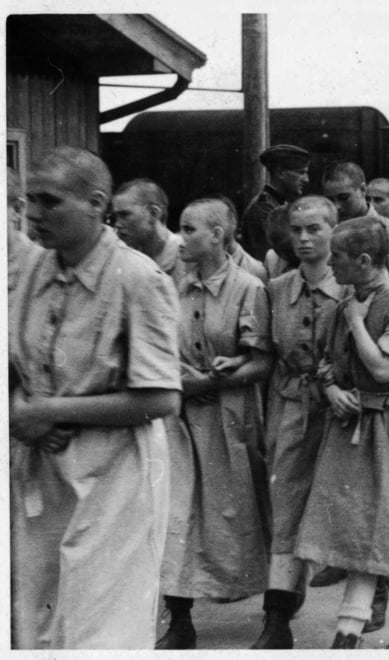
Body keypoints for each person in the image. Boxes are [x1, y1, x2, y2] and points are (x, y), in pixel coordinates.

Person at [10, 146, 181, 649]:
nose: (34, 214)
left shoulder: (138, 278)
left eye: (49, 201)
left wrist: (46, 412)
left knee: (101, 629)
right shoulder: (33, 272)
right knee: (37, 623)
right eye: (28, 201)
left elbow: (160, 398)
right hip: (41, 471)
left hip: (115, 479)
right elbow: (15, 362)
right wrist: (19, 412)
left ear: (95, 203)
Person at [296, 216, 389, 649]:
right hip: (350, 426)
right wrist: (333, 388)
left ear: (362, 260)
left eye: (336, 256)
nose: (329, 262)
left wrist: (357, 321)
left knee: (380, 525)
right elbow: (324, 362)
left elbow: (381, 369)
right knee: (359, 527)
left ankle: (348, 634)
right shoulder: (344, 304)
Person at [157, 197, 274, 649]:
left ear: (218, 236)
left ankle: (274, 616)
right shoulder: (173, 286)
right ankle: (181, 621)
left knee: (245, 513)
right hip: (183, 421)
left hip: (232, 419)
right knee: (177, 514)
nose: (180, 237)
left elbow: (262, 362)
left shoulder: (249, 287)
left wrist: (209, 379)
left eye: (189, 229)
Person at [250, 197, 348, 648]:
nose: (304, 239)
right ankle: (277, 620)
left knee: (351, 506)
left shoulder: (352, 288)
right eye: (296, 230)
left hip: (343, 413)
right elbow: (267, 358)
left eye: (314, 229)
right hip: (290, 406)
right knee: (286, 508)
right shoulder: (275, 289)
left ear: (334, 230)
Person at [322, 161, 389, 291]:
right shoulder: (328, 231)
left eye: (344, 197)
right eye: (331, 200)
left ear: (363, 190)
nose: (337, 206)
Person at [241, 144, 310, 261]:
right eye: (301, 172)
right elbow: (271, 259)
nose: (306, 179)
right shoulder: (263, 209)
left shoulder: (276, 204)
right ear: (280, 173)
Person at [110, 178, 185, 285]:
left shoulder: (188, 257)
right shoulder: (125, 258)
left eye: (125, 215)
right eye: (116, 217)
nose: (117, 224)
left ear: (154, 213)